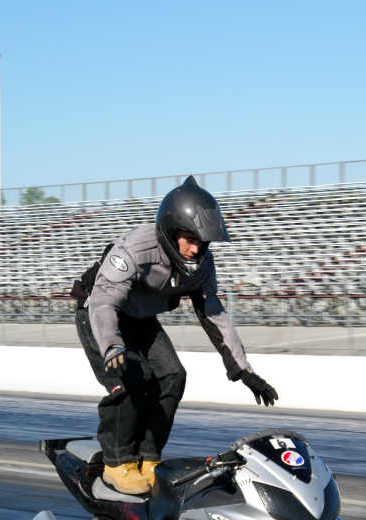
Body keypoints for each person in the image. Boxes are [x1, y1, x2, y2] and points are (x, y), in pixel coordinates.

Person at [71, 176, 278, 495]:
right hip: (99, 313)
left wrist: (243, 369)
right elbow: (103, 302)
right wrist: (112, 346)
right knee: (132, 378)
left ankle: (148, 459)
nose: (197, 249)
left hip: (139, 316)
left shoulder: (203, 264)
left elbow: (215, 316)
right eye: (190, 239)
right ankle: (117, 462)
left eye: (203, 242)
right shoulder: (134, 249)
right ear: (169, 231)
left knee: (172, 376)